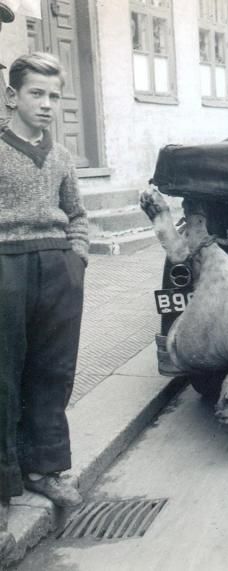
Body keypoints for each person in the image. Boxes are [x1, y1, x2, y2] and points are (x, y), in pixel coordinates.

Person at [0, 52, 88, 547]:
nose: (48, 104)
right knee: (2, 379)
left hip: (57, 269)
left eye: (55, 95)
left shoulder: (61, 154)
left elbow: (75, 212)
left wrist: (76, 259)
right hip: (5, 267)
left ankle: (45, 468)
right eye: (37, 93)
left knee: (53, 372)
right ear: (12, 96)